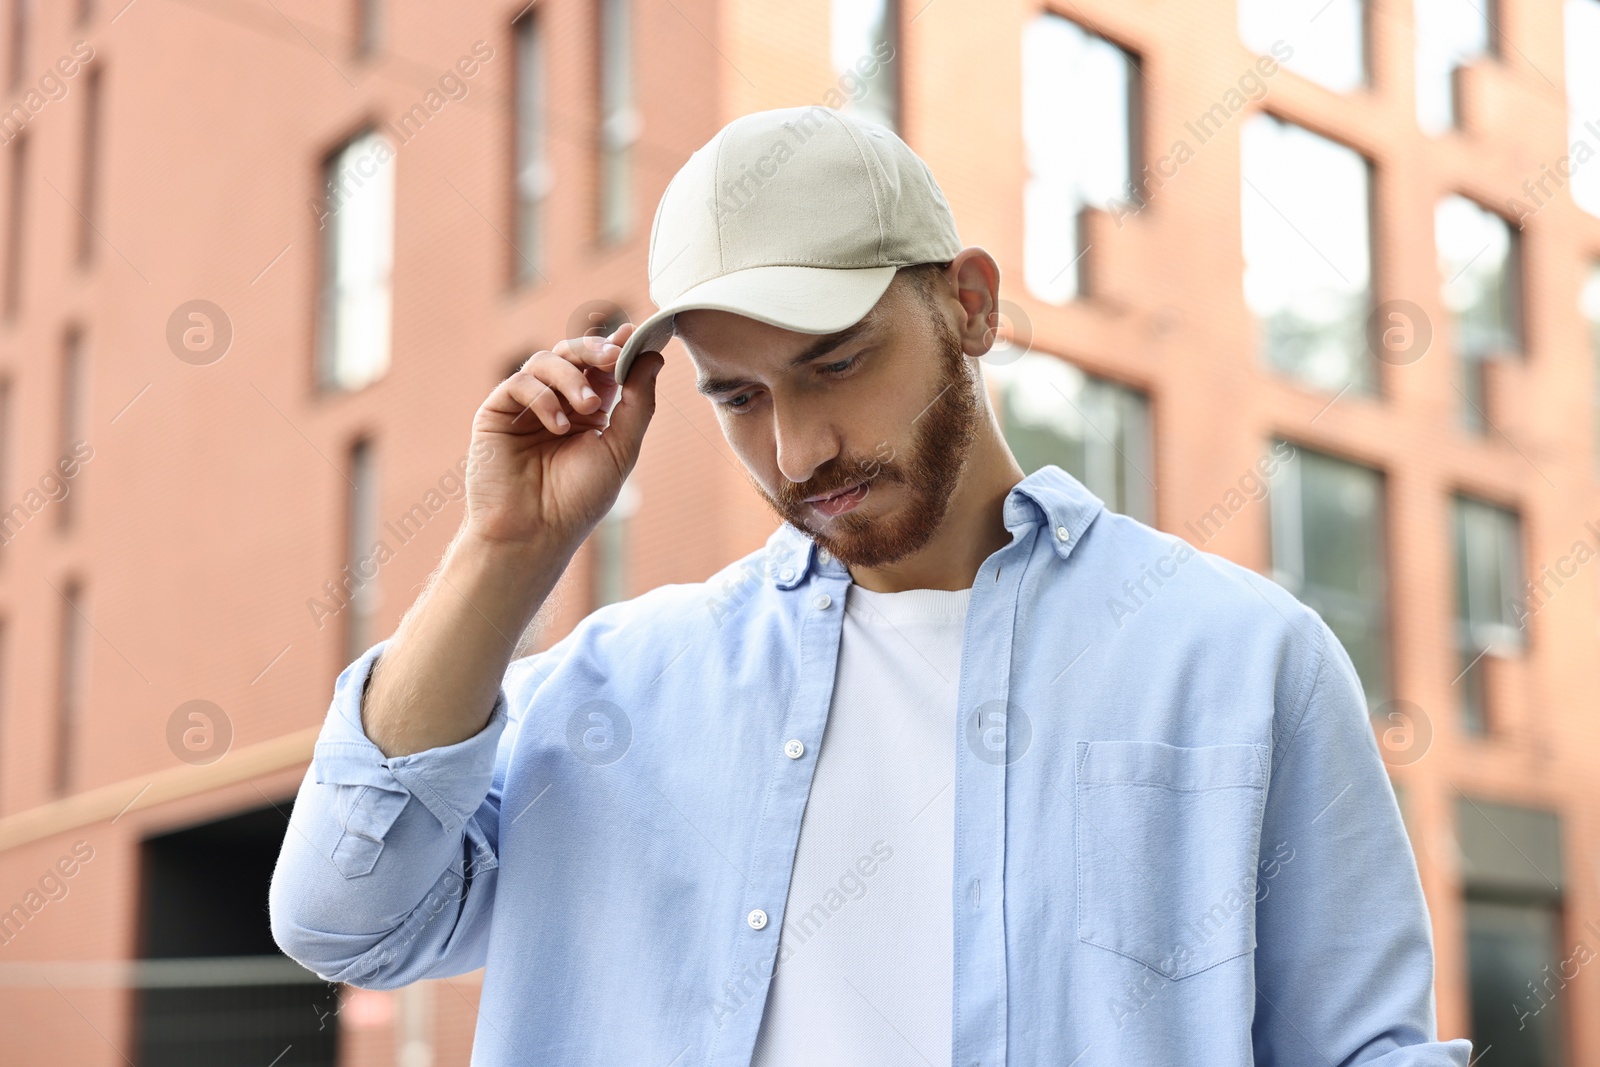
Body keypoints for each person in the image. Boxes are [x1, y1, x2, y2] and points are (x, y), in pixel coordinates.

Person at [270, 105, 1472, 1066]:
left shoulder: (1242, 658)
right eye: (736, 396)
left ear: (970, 303)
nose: (798, 451)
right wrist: (507, 550)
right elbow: (347, 916)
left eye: (834, 361)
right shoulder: (615, 686)